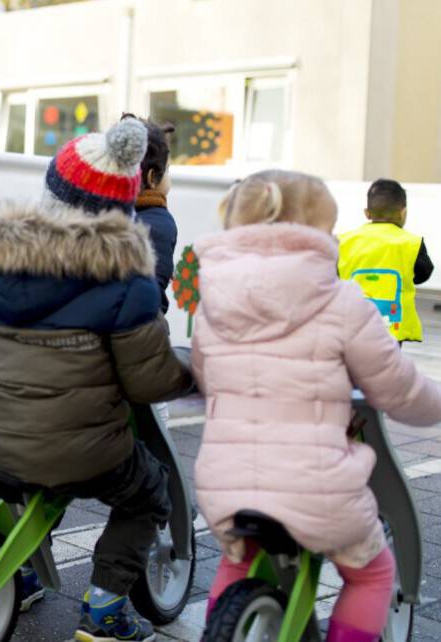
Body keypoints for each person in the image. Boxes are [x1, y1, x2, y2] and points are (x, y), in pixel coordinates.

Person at [0, 118, 194, 642]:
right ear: (123, 207)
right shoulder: (127, 280)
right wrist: (191, 375)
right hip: (81, 447)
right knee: (147, 493)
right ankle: (105, 608)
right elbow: (146, 380)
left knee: (41, 482)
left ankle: (26, 573)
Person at [191, 170, 441, 642]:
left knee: (238, 558)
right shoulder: (340, 300)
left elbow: (207, 378)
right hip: (316, 487)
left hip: (224, 482)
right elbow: (399, 391)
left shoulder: (212, 302)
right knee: (370, 573)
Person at [338, 178, 433, 343]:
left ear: (367, 213)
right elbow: (423, 274)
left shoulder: (344, 241)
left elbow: (331, 275)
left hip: (352, 325)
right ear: (403, 212)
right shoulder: (411, 243)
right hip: (392, 329)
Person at [130, 116, 177, 316]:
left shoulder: (104, 210)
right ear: (151, 178)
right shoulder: (160, 223)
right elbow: (152, 297)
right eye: (167, 170)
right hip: (141, 334)